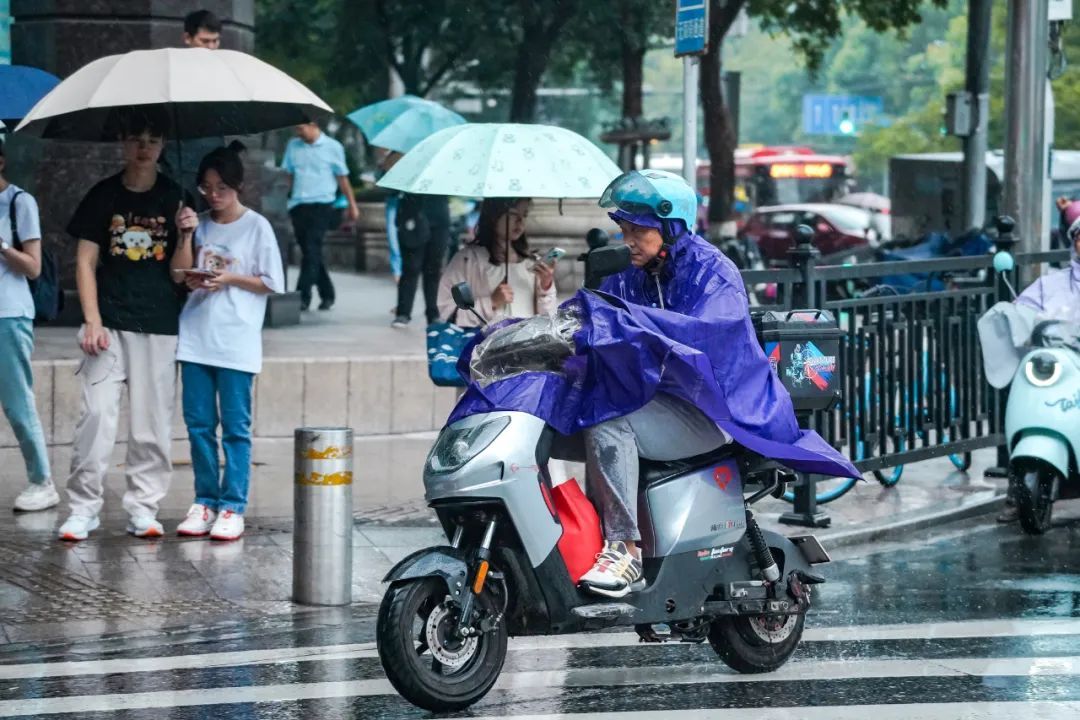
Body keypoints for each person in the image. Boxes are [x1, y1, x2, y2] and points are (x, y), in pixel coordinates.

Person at [553, 171, 741, 598]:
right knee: (555, 422)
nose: (629, 240)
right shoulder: (632, 271)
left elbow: (710, 332)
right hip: (651, 400)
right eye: (625, 230)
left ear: (671, 229)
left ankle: (625, 549)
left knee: (606, 420)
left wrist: (636, 324)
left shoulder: (713, 273)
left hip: (707, 411)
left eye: (640, 231)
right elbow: (599, 314)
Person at [58, 113, 191, 542]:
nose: (144, 147)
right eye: (136, 138)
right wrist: (91, 319)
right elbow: (84, 261)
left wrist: (186, 234)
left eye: (152, 139)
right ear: (122, 142)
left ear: (163, 145)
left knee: (151, 423)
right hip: (108, 324)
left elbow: (179, 275)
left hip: (159, 323)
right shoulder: (103, 196)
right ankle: (82, 508)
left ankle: (143, 507)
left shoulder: (176, 198)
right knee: (96, 416)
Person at [171, 143, 284, 541]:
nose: (213, 195)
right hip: (196, 335)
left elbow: (271, 282)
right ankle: (205, 500)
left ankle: (233, 505)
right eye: (206, 187)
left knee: (235, 428)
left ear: (237, 186)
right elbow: (179, 273)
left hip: (236, 341)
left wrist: (230, 279)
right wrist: (186, 233)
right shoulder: (199, 222)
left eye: (220, 188)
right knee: (199, 426)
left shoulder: (257, 227)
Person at [996, 199, 1080, 524]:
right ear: (1072, 243)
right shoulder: (1051, 284)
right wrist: (1010, 319)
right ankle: (1016, 492)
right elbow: (1022, 311)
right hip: (1056, 367)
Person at [0, 139, 57, 512]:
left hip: (8, 313)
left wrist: (2, 246)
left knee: (18, 403)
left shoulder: (20, 202)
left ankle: (42, 481)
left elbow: (33, 266)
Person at [436, 197, 556, 327]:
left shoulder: (531, 263)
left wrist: (546, 286)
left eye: (524, 215)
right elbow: (447, 312)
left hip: (529, 344)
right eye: (512, 215)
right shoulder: (467, 260)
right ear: (493, 216)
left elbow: (548, 319)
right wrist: (491, 302)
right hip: (486, 344)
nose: (520, 221)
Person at [282, 122, 359, 311]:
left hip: (323, 205)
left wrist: (352, 205)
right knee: (311, 252)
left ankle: (302, 296)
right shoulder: (293, 145)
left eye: (300, 128)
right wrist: (283, 200)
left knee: (311, 247)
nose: (297, 132)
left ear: (313, 125)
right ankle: (328, 294)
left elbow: (343, 178)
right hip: (298, 205)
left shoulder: (333, 147)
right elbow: (288, 176)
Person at [380, 150, 450, 328]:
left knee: (434, 268)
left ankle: (433, 313)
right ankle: (403, 313)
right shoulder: (405, 154)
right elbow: (387, 182)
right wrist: (395, 159)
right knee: (410, 267)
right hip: (412, 215)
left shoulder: (445, 156)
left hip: (438, 216)